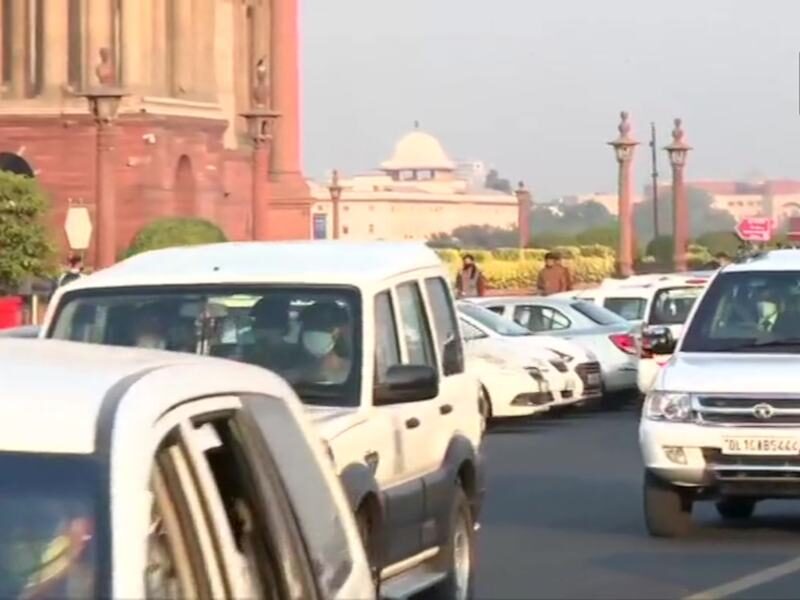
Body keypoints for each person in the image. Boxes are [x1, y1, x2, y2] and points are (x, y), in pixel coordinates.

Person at [294, 302, 352, 384]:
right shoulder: (297, 375)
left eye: (322, 327)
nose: (313, 333)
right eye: (309, 327)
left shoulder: (358, 372)